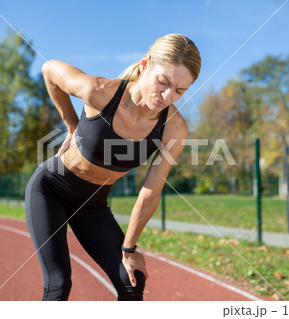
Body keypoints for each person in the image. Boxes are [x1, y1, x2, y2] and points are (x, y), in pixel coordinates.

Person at [25, 33, 201, 301]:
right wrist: (71, 126)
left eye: (180, 90)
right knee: (59, 285)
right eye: (163, 82)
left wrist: (128, 250)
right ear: (145, 64)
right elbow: (49, 70)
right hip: (52, 188)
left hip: (94, 204)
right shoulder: (99, 91)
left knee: (132, 283)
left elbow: (150, 192)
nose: (167, 96)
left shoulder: (174, 128)